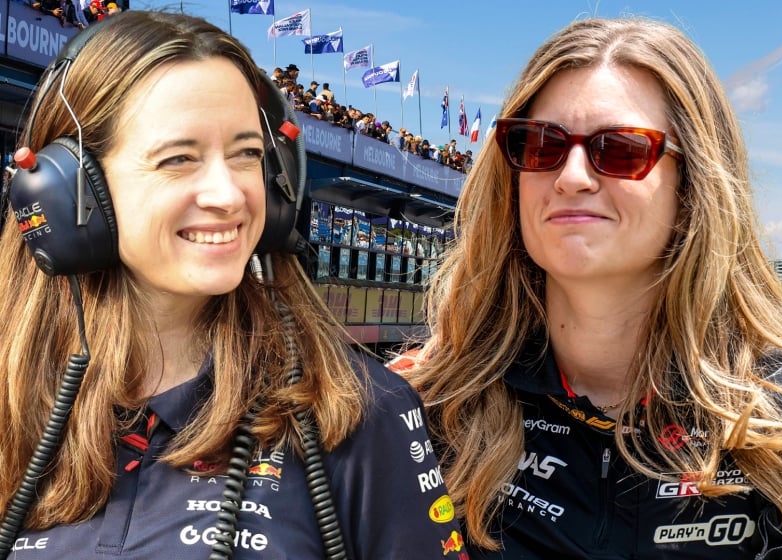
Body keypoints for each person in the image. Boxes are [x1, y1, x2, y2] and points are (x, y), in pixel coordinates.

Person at [0, 11, 464, 560]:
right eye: (179, 158)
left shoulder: (364, 409)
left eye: (247, 154)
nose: (229, 194)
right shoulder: (16, 392)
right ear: (64, 191)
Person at [404, 16, 782, 560]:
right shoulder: (429, 408)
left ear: (694, 184)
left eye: (620, 150)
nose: (571, 176)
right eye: (541, 144)